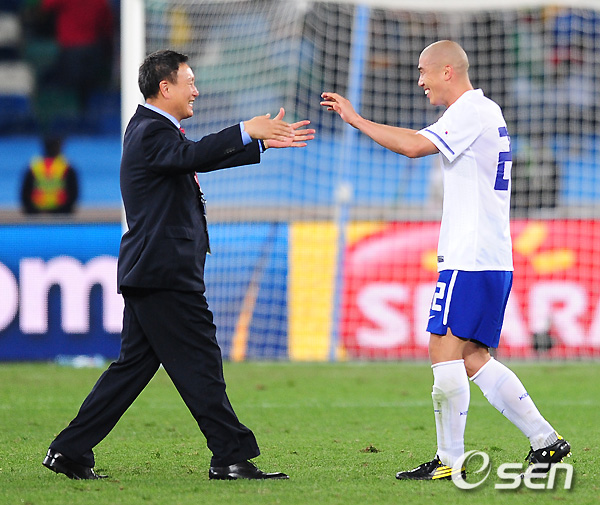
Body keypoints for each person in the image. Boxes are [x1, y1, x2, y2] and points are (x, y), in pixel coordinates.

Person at [43, 49, 314, 481]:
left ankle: (69, 450)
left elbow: (190, 156)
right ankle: (230, 456)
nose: (197, 90)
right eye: (190, 82)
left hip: (153, 271)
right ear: (165, 87)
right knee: (200, 360)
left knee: (132, 370)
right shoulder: (151, 131)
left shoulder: (152, 131)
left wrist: (257, 142)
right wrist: (244, 130)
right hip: (163, 273)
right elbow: (192, 156)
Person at [321, 40, 570, 481]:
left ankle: (449, 459)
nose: (420, 81)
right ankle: (544, 440)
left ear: (447, 71)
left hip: (470, 256)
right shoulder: (484, 111)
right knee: (472, 356)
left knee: (442, 346)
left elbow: (414, 146)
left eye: (424, 71)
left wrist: (357, 120)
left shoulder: (470, 111)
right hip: (490, 255)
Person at [21, 135, 78, 214]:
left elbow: (24, 192)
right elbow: (74, 192)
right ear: (60, 147)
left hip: (36, 211)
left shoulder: (34, 166)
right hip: (61, 211)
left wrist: (30, 209)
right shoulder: (66, 166)